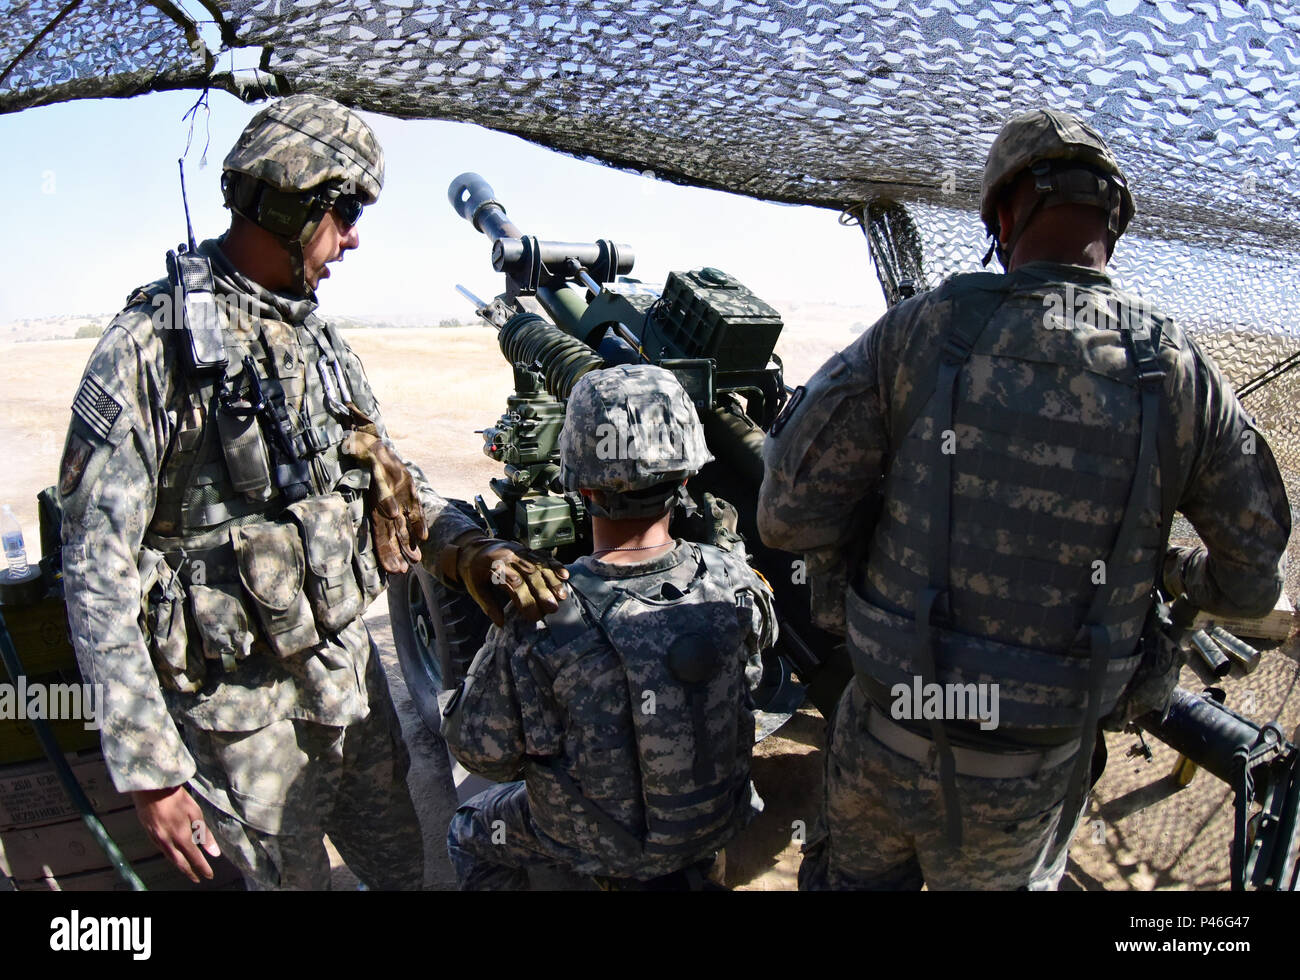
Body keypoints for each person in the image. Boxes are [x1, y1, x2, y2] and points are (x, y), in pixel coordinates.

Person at [758, 107, 1291, 890]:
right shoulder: (1179, 374)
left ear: (1004, 216)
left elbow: (784, 516)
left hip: (884, 743)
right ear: (1113, 222)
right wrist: (1174, 573)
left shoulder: (924, 329)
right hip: (1031, 783)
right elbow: (1251, 582)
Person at [57, 94, 567, 890]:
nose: (354, 237)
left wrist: (473, 553)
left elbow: (390, 481)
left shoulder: (318, 340)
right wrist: (151, 769)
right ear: (286, 204)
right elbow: (96, 569)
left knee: (400, 871)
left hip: (349, 693)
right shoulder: (151, 349)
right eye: (344, 212)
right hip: (242, 728)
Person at [441, 364, 777, 889]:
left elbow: (482, 753)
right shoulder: (735, 579)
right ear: (686, 477)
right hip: (714, 822)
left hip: (597, 843)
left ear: (579, 484)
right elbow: (751, 680)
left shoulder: (542, 611)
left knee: (467, 831)